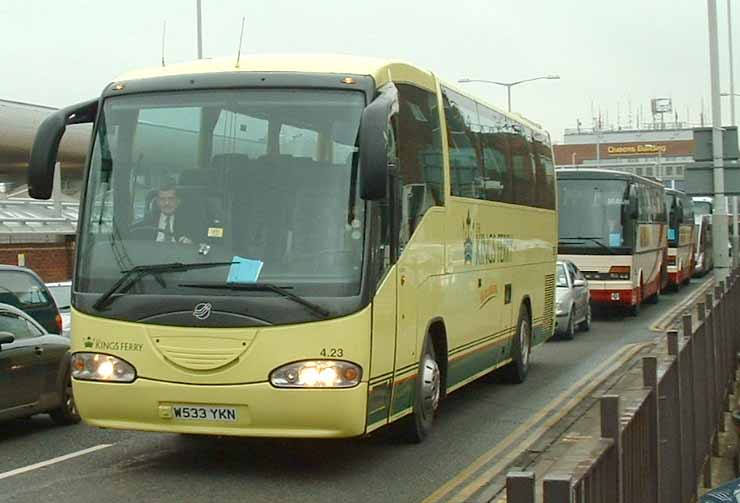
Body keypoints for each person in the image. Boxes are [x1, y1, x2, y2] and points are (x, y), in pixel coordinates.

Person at [132, 180, 204, 244]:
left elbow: (202, 242)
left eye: (171, 199)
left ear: (178, 201)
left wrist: (192, 244)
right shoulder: (147, 222)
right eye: (162, 199)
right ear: (157, 202)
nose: (166, 203)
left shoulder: (191, 221)